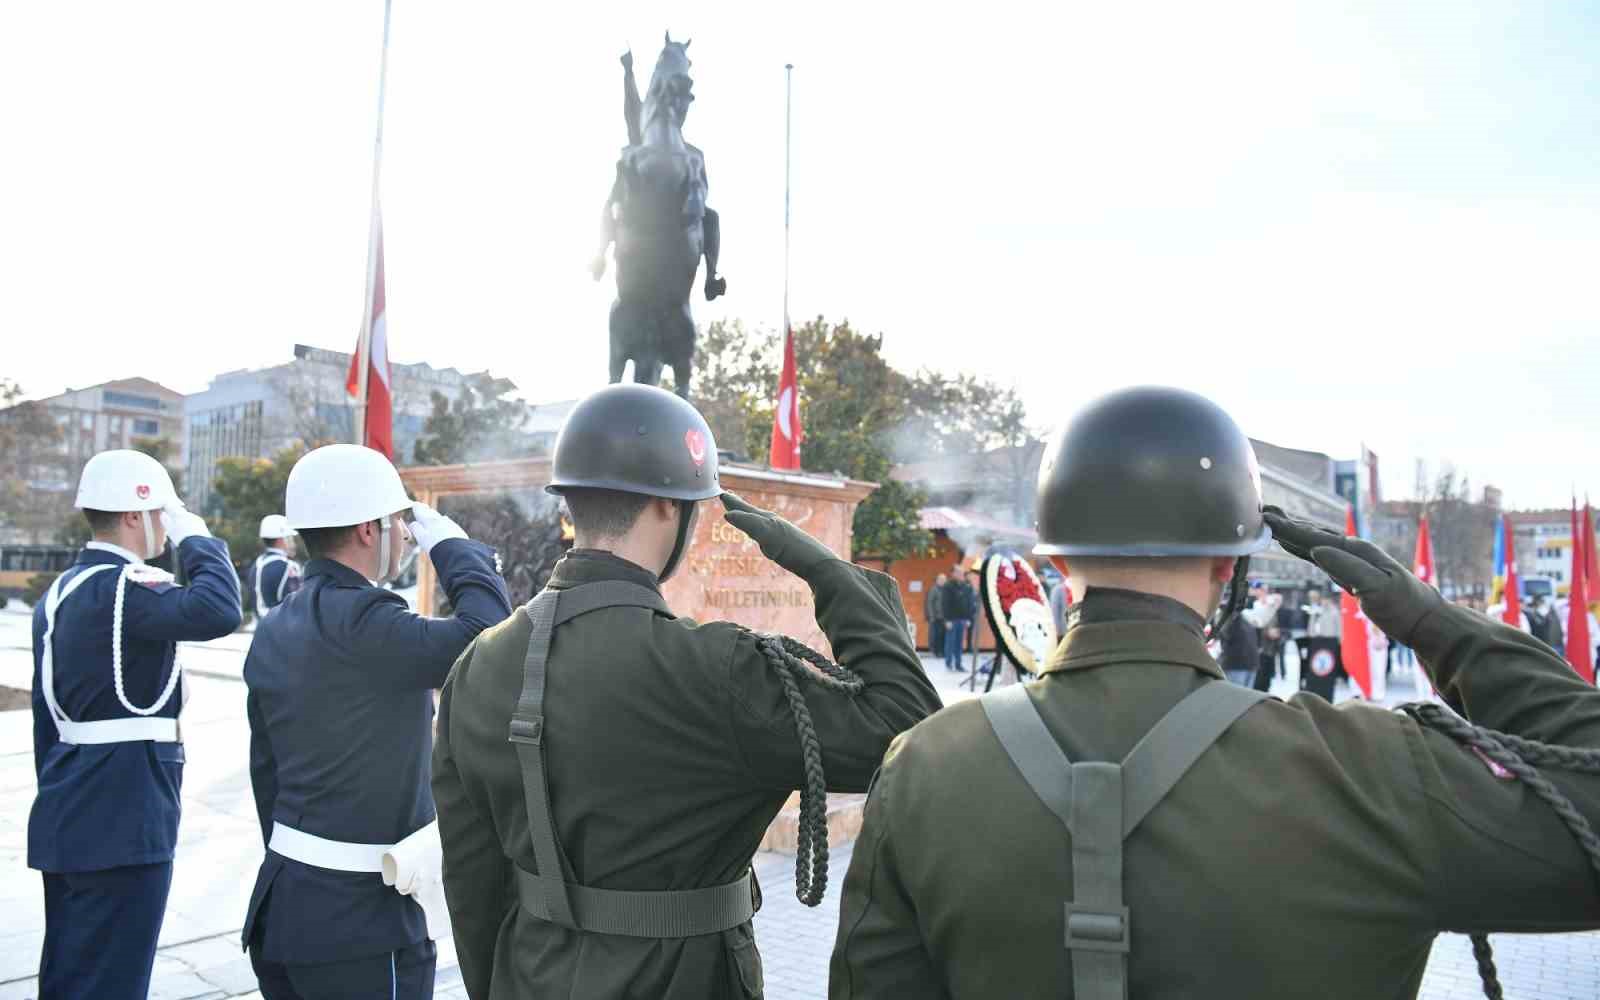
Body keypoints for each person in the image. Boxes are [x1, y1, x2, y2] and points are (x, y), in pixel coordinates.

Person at [829, 385, 1600, 999]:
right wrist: (1430, 620)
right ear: (1229, 568)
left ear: (1057, 563)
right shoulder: (1371, 771)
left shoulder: (925, 768)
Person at [432, 384, 941, 1000]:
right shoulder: (715, 669)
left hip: (530, 975)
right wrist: (834, 575)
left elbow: (471, 881)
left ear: (570, 503)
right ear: (669, 508)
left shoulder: (477, 667)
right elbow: (910, 732)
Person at [241, 444, 512, 1000]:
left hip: (285, 903)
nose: (405, 535)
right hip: (359, 925)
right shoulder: (367, 621)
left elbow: (265, 771)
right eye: (399, 522)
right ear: (370, 530)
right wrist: (451, 544)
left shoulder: (278, 624)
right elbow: (489, 634)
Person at [29, 449, 241, 1000]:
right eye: (163, 516)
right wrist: (198, 538)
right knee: (113, 979)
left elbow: (45, 718)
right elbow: (220, 609)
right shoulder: (127, 588)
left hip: (70, 808)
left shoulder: (61, 593)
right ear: (135, 515)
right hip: (124, 817)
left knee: (69, 971)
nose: (166, 532)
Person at [249, 513, 302, 619]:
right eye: (289, 537)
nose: (293, 542)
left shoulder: (256, 564)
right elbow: (297, 605)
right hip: (282, 628)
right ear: (281, 539)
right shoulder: (288, 566)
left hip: (261, 628)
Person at [942, 568, 977, 671]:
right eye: (959, 573)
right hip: (951, 620)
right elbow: (945, 604)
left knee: (959, 643)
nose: (962, 575)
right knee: (950, 643)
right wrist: (946, 620)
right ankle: (948, 664)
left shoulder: (965, 586)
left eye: (962, 573)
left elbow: (968, 604)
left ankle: (958, 664)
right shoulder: (948, 586)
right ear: (953, 574)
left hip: (962, 619)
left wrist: (968, 619)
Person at [925, 571, 947, 658]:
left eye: (944, 579)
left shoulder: (945, 589)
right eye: (941, 579)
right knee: (935, 635)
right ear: (937, 580)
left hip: (944, 617)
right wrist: (931, 616)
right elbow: (929, 603)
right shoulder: (934, 589)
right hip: (935, 617)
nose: (943, 581)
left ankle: (942, 651)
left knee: (943, 635)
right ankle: (936, 651)